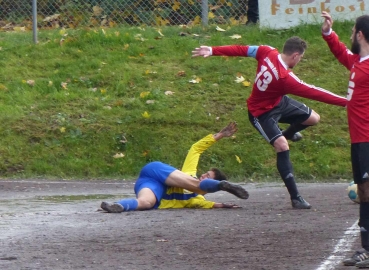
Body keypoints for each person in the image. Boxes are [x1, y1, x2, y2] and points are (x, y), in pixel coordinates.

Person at [191, 37, 347, 209]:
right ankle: (296, 198)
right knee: (281, 146)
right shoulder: (286, 78)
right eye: (301, 58)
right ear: (295, 55)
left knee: (313, 119)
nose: (300, 61)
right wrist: (347, 102)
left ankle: (287, 134)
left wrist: (213, 50)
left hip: (278, 102)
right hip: (260, 113)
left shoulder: (267, 51)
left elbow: (241, 49)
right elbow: (316, 92)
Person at [101, 122, 248, 213]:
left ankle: (117, 206)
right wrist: (220, 135)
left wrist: (224, 206)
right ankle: (223, 186)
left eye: (208, 177)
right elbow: (195, 149)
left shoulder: (197, 200)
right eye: (205, 173)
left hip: (150, 185)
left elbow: (210, 204)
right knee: (196, 185)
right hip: (156, 171)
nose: (203, 175)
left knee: (146, 203)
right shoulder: (190, 173)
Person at [320, 12, 369, 267]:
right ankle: (366, 248)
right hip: (359, 139)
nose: (350, 36)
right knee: (363, 192)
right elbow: (340, 52)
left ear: (360, 35)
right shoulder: (358, 62)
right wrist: (329, 32)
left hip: (368, 139)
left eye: (352, 32)